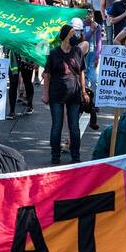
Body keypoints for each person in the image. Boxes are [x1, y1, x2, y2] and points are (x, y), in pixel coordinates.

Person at [42, 23, 89, 165]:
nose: (75, 37)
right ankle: (55, 156)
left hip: (74, 94)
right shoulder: (54, 53)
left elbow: (81, 72)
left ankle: (76, 156)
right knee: (57, 125)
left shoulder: (77, 51)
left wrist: (84, 91)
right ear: (65, 37)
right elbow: (47, 75)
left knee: (74, 126)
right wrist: (45, 94)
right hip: (56, 94)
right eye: (72, 34)